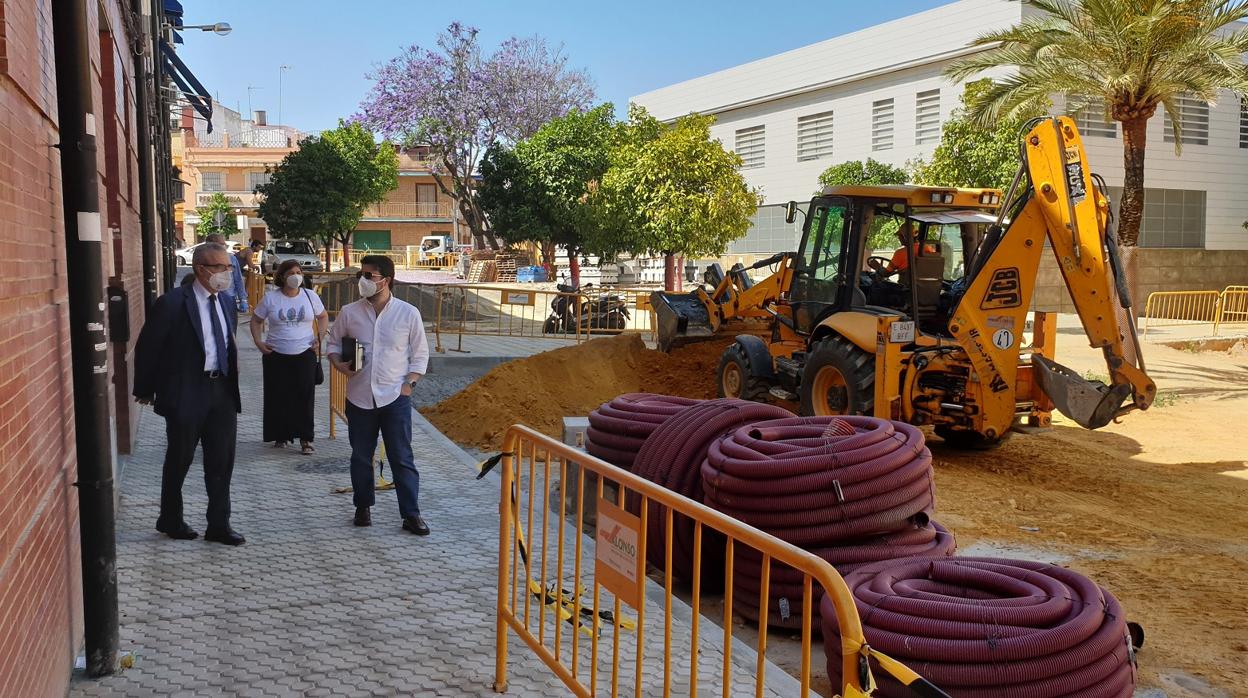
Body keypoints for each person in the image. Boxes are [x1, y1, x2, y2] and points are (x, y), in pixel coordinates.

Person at [133, 242, 245, 546]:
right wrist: (145, 388)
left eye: (228, 267)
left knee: (221, 461)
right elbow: (148, 347)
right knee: (180, 458)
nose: (226, 273)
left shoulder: (225, 301)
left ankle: (219, 525)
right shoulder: (172, 303)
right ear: (201, 269)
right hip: (186, 391)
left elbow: (227, 341)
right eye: (220, 267)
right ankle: (170, 518)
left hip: (220, 389)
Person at [327, 255, 430, 534]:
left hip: (395, 398)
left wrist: (409, 384)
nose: (363, 280)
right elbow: (333, 344)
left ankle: (411, 514)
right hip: (359, 397)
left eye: (369, 276)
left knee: (401, 457)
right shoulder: (350, 312)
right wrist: (338, 364)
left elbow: (420, 355)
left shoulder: (408, 313)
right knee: (361, 456)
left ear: (386, 280)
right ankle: (363, 507)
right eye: (362, 274)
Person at [250, 260, 328, 454]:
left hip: (304, 352)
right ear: (282, 276)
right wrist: (259, 342)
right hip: (276, 353)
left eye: (299, 272)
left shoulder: (310, 296)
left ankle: (305, 439)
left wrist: (321, 337)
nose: (296, 275)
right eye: (291, 272)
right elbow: (256, 320)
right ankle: (281, 435)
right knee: (278, 395)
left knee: (304, 396)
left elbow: (323, 316)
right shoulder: (271, 298)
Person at [205, 233, 249, 314]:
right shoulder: (204, 260)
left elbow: (238, 280)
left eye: (224, 244)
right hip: (209, 299)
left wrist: (243, 299)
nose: (224, 246)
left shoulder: (231, 258)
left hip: (229, 298)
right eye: (222, 244)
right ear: (211, 245)